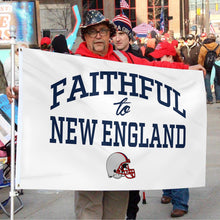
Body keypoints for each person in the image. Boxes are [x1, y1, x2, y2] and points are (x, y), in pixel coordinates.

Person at [73, 10, 205, 220]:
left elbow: (155, 68)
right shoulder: (71, 63)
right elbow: (44, 84)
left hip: (119, 147)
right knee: (89, 208)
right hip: (88, 150)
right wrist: (20, 90)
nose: (98, 36)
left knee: (117, 208)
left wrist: (186, 69)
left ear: (109, 34)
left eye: (102, 31)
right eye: (92, 32)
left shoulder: (124, 59)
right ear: (85, 36)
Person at [149, 41, 189, 218]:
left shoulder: (184, 74)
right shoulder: (159, 71)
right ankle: (168, 191)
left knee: (177, 161)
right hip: (159, 120)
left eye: (162, 57)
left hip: (177, 122)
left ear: (171, 56)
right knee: (163, 159)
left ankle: (180, 202)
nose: (159, 62)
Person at [112, 13, 142, 220]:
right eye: (114, 34)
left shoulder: (140, 60)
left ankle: (131, 215)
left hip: (134, 127)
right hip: (112, 127)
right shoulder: (103, 59)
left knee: (132, 179)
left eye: (122, 33)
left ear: (129, 36)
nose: (118, 38)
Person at [198, 33, 220, 104]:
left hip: (206, 67)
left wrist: (201, 66)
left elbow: (200, 58)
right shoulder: (218, 46)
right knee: (217, 82)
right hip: (216, 66)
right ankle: (218, 98)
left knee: (207, 83)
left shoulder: (203, 47)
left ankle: (210, 99)